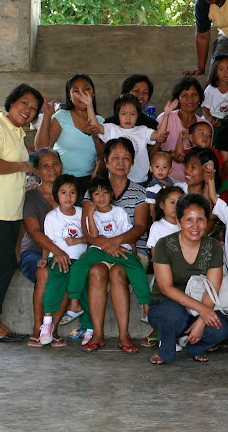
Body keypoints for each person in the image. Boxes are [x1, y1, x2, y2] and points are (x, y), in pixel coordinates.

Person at [0, 84, 42, 342]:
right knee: (5, 265)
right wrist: (22, 166)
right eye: (24, 103)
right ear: (11, 102)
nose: (28, 110)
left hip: (10, 211)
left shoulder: (17, 133)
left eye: (33, 108)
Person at [79, 138, 149, 353]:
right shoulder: (93, 191)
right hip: (99, 251)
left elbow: (140, 227)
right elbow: (87, 229)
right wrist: (107, 246)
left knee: (118, 272)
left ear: (132, 163)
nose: (121, 162)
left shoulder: (139, 193)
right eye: (115, 157)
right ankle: (98, 335)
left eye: (126, 158)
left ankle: (124, 335)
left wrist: (115, 243)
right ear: (106, 162)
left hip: (132, 252)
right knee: (97, 271)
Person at [148, 193, 228, 364]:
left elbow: (212, 288)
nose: (195, 226)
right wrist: (203, 311)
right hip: (166, 305)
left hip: (199, 305)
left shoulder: (214, 247)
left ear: (207, 222)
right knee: (173, 315)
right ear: (178, 222)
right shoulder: (164, 245)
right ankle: (166, 348)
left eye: (200, 219)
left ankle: (195, 346)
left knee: (221, 328)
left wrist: (201, 320)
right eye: (189, 220)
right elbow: (165, 288)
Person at [67, 176, 150, 336]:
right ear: (91, 198)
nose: (101, 197)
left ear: (111, 194)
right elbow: (94, 235)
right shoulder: (92, 214)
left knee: (137, 270)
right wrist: (89, 215)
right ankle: (74, 304)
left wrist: (133, 252)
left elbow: (129, 233)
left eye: (105, 193)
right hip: (99, 250)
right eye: (97, 194)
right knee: (78, 267)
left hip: (121, 248)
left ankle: (146, 307)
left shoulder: (119, 212)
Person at [38, 174, 88, 345]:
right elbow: (47, 241)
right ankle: (47, 324)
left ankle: (88, 327)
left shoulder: (82, 214)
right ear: (56, 195)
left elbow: (91, 237)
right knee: (54, 286)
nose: (68, 197)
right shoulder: (52, 217)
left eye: (72, 192)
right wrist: (44, 258)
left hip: (80, 260)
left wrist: (80, 244)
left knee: (84, 282)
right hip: (58, 259)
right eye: (63, 192)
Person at [82, 93, 176, 184]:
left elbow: (159, 135)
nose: (128, 118)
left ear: (138, 115)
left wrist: (166, 115)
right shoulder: (111, 129)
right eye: (123, 114)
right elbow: (95, 127)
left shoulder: (143, 130)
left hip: (139, 180)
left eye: (132, 114)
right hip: (116, 181)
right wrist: (89, 105)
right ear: (117, 115)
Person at [35, 74, 104, 195]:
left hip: (87, 183)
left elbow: (104, 156)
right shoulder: (62, 116)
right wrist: (47, 115)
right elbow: (41, 149)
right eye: (76, 91)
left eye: (86, 89)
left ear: (93, 93)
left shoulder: (101, 122)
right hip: (61, 180)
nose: (81, 94)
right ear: (70, 96)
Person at [153, 76, 206, 181]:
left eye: (194, 95)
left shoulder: (205, 125)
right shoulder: (165, 118)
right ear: (178, 99)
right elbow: (151, 151)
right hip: (167, 178)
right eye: (185, 95)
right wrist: (168, 155)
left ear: (200, 98)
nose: (190, 99)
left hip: (195, 181)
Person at [145, 152, 188, 220]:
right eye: (157, 166)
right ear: (151, 168)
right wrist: (155, 220)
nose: (160, 170)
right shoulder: (152, 188)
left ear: (170, 170)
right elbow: (152, 209)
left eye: (164, 167)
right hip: (160, 219)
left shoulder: (172, 184)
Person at [202, 55, 228, 132]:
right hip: (211, 118)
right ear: (215, 73)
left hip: (227, 120)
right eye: (221, 69)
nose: (225, 72)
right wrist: (212, 121)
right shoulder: (210, 89)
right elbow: (205, 110)